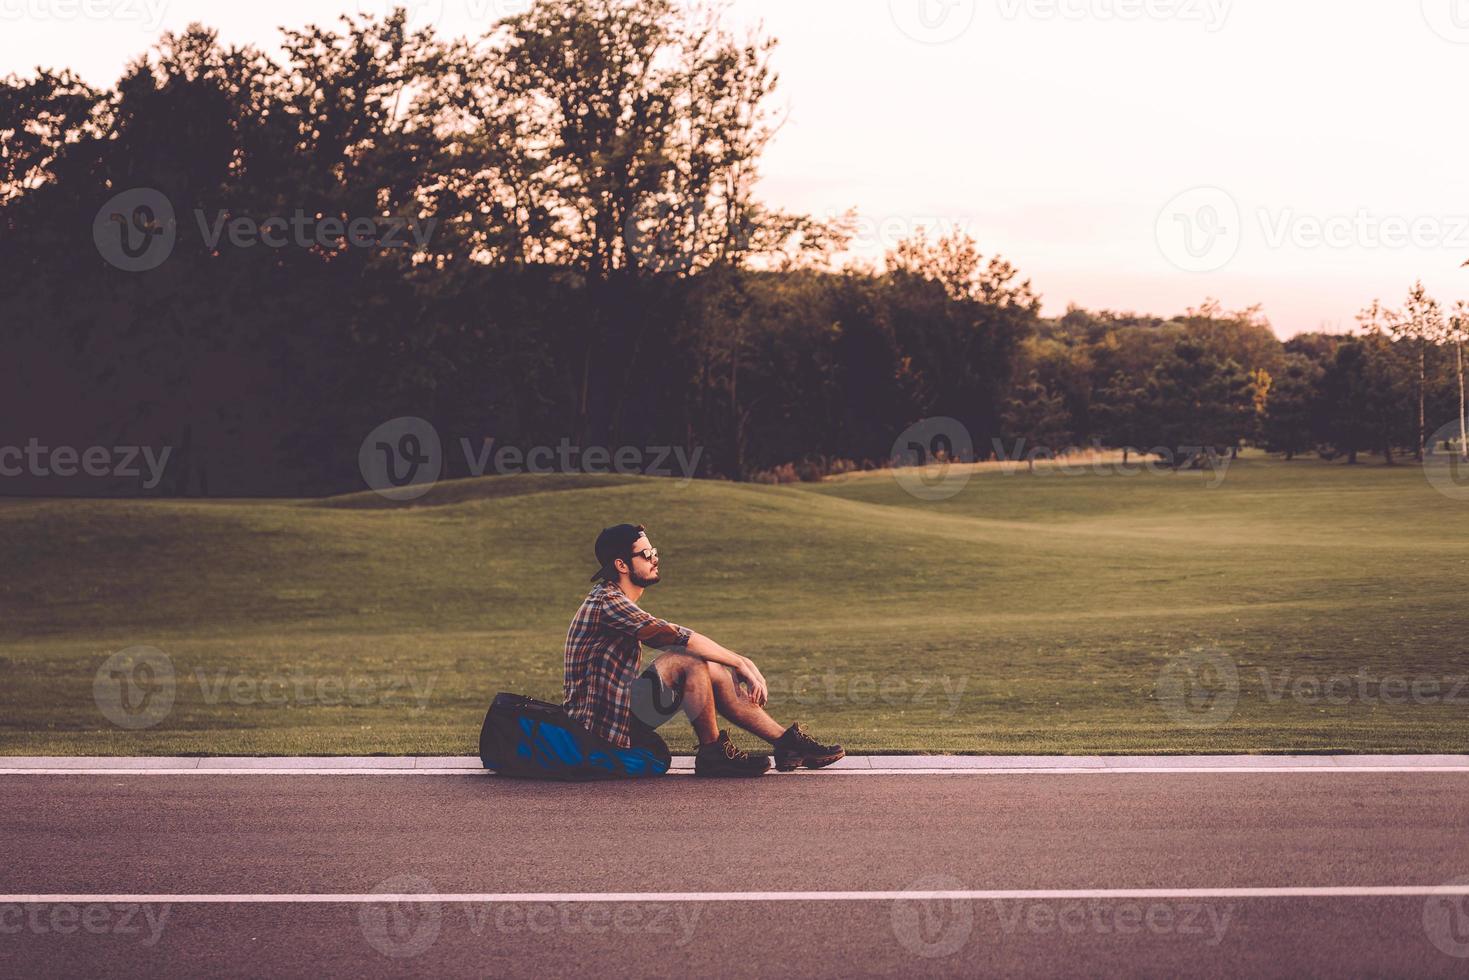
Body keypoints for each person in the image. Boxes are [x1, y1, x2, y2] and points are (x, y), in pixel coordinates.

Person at [564, 523, 844, 777]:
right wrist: (741, 663)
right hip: (598, 728)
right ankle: (713, 753)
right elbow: (674, 636)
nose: (655, 558)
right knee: (687, 659)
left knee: (707, 664)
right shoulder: (608, 603)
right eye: (646, 554)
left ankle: (787, 744)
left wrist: (736, 661)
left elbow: (677, 635)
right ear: (622, 565)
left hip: (617, 713)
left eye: (654, 551)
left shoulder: (615, 600)